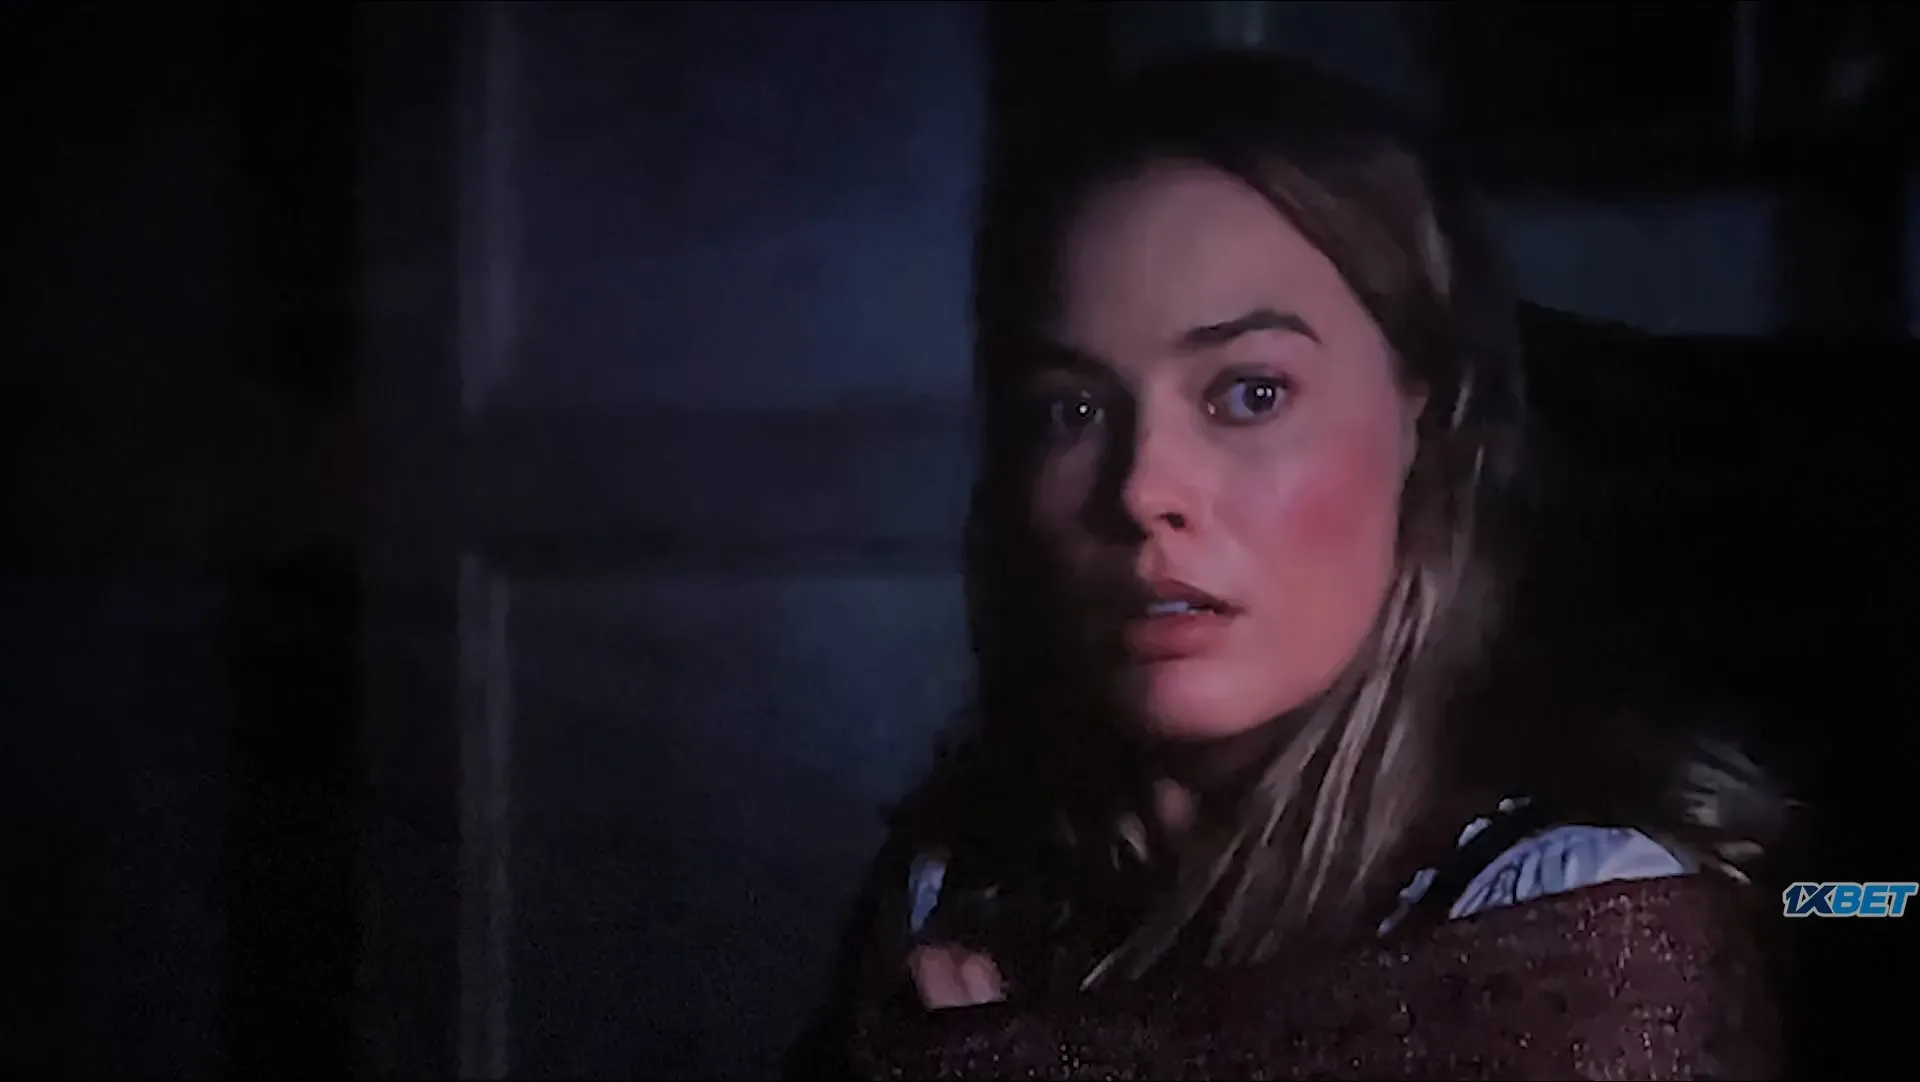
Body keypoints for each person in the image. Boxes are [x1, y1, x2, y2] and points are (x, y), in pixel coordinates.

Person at [791, 50, 1793, 1080]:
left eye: (1250, 394)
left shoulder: (1578, 933)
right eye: (1072, 409)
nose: (1141, 489)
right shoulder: (961, 882)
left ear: (1426, 417)